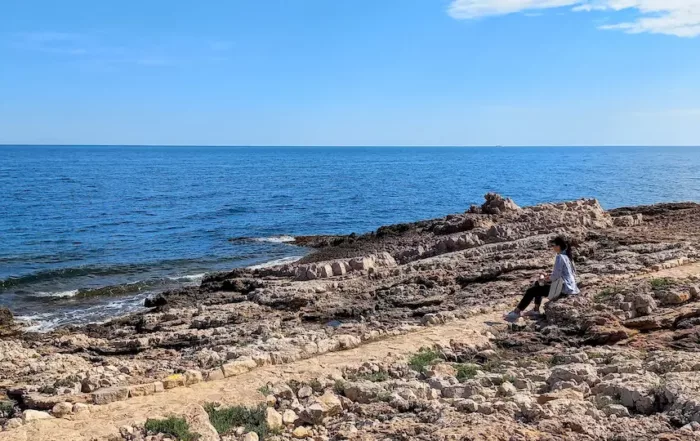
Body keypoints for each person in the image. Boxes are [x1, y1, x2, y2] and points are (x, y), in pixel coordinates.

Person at [504, 236, 579, 322]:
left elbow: (556, 276)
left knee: (531, 291)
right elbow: (568, 274)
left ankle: (516, 312)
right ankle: (535, 310)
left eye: (554, 245)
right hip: (572, 288)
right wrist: (548, 276)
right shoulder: (569, 257)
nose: (553, 247)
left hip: (563, 289)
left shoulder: (560, 257)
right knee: (537, 285)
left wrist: (546, 279)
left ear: (558, 246)